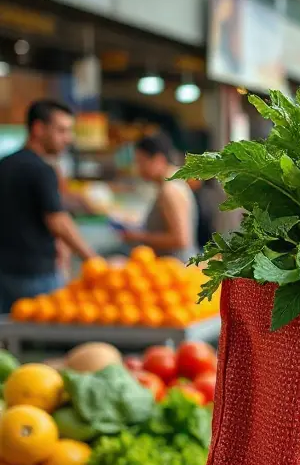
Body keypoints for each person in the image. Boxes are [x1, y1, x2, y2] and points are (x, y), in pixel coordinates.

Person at [0, 100, 98, 312]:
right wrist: (93, 259)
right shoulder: (42, 170)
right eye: (61, 130)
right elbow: (57, 221)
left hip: (5, 273)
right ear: (38, 128)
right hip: (36, 275)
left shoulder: (5, 164)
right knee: (45, 330)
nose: (68, 138)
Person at [122, 134, 198, 263]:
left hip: (176, 267)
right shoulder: (170, 184)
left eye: (141, 162)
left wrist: (139, 237)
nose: (138, 168)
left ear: (159, 159)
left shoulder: (170, 190)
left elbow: (180, 239)